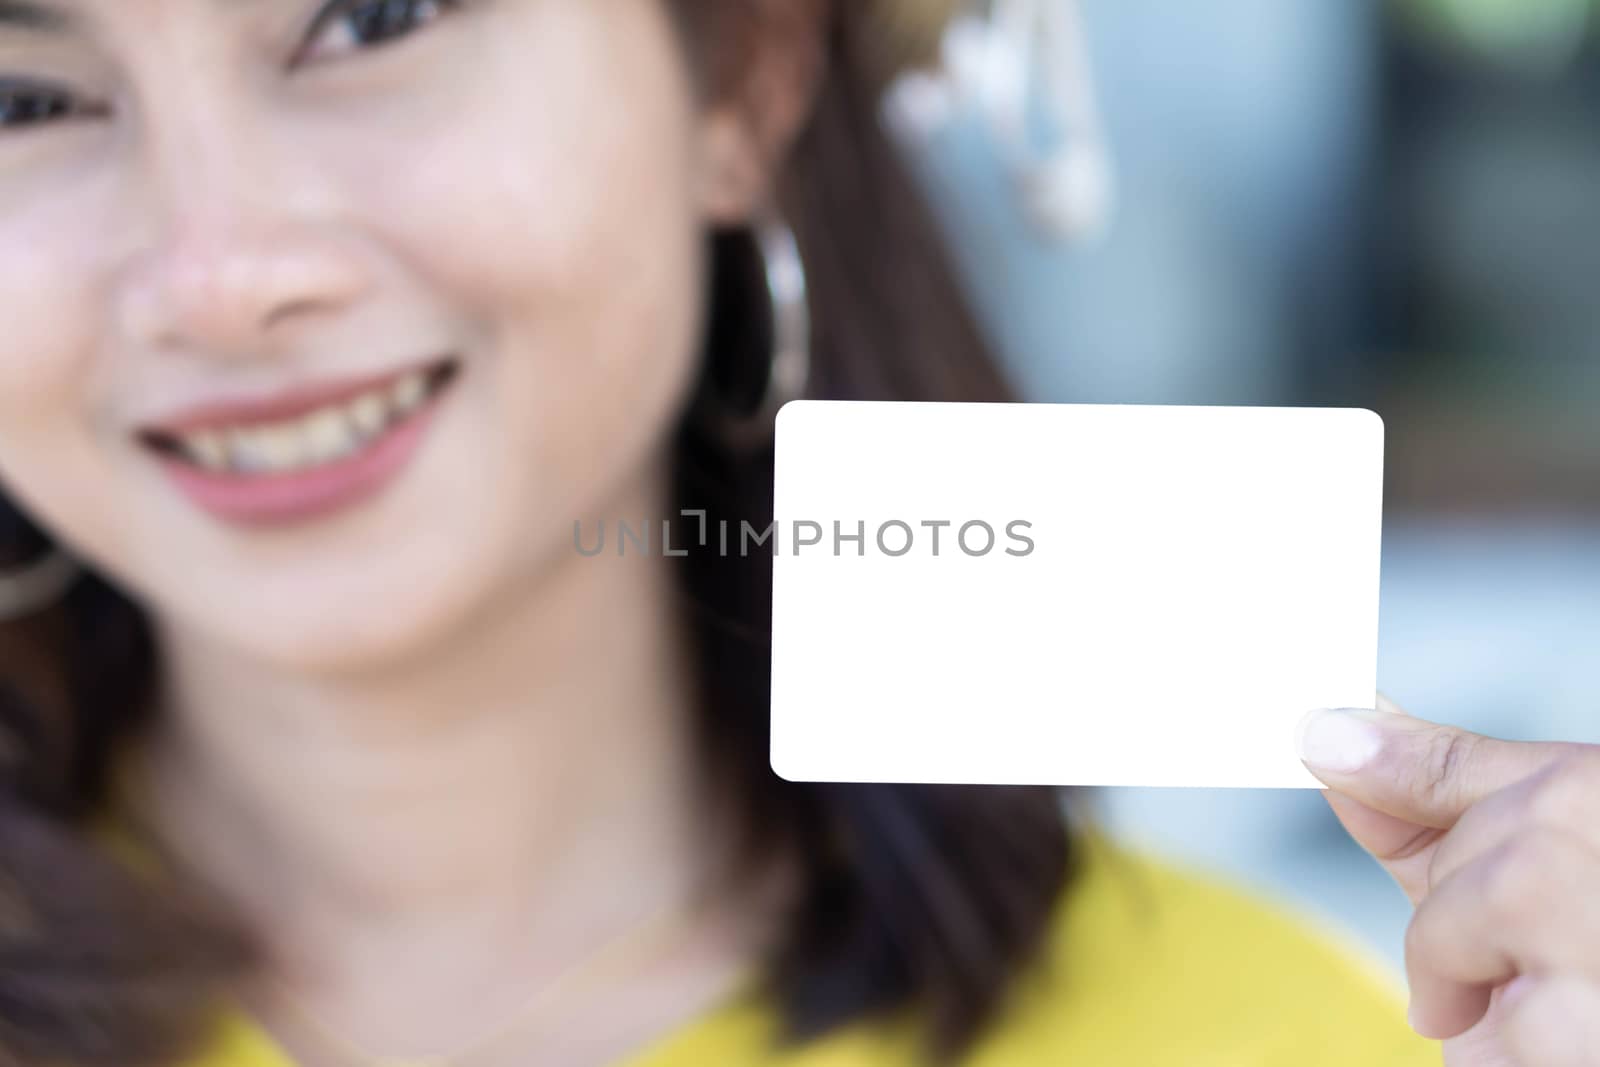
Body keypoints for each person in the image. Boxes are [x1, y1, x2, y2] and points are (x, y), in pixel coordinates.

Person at [0, 2, 1591, 1065]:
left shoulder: (1284, 1038)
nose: (218, 272)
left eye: (375, 15)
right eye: (26, 95)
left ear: (743, 80)